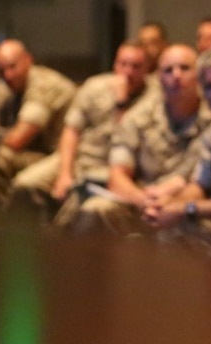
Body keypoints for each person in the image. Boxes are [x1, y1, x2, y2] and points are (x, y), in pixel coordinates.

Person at [70, 44, 211, 235]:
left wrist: (173, 204)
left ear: (199, 75)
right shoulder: (139, 116)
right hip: (144, 199)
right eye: (168, 70)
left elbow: (205, 181)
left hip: (191, 204)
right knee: (95, 209)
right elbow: (118, 175)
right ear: (159, 78)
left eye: (185, 68)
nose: (176, 75)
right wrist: (142, 200)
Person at [9, 41, 150, 219]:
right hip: (77, 159)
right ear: (114, 64)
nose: (128, 72)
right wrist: (65, 173)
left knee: (79, 206)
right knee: (25, 184)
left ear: (147, 69)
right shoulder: (94, 87)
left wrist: (121, 102)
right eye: (123, 64)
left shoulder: (153, 97)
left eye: (135, 66)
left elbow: (124, 139)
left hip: (112, 169)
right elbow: (71, 130)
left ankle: (60, 244)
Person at [142, 51, 211, 257]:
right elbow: (200, 184)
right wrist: (169, 205)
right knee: (169, 228)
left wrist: (185, 208)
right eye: (209, 87)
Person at [0, 39, 76, 206]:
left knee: (23, 182)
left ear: (28, 60)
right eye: (2, 71)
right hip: (43, 153)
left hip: (68, 155)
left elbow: (17, 140)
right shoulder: (14, 91)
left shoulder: (43, 85)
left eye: (12, 67)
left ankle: (8, 225)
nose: (7, 75)